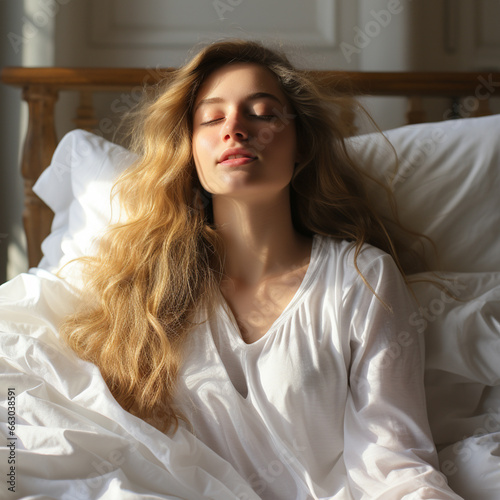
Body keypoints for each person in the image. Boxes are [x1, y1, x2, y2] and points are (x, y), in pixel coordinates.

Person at [60, 39, 463, 499]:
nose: (234, 128)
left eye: (264, 113)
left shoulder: (360, 276)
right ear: (189, 152)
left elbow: (396, 462)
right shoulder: (145, 291)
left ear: (301, 146)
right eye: (211, 118)